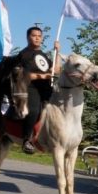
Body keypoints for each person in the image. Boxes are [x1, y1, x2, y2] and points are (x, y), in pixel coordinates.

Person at [18, 26, 61, 154]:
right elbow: (22, 75)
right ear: (28, 37)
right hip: (31, 87)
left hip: (46, 88)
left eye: (39, 36)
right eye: (34, 35)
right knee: (34, 110)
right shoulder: (24, 55)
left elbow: (56, 70)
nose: (37, 38)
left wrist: (57, 52)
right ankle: (26, 140)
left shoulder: (42, 55)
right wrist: (42, 76)